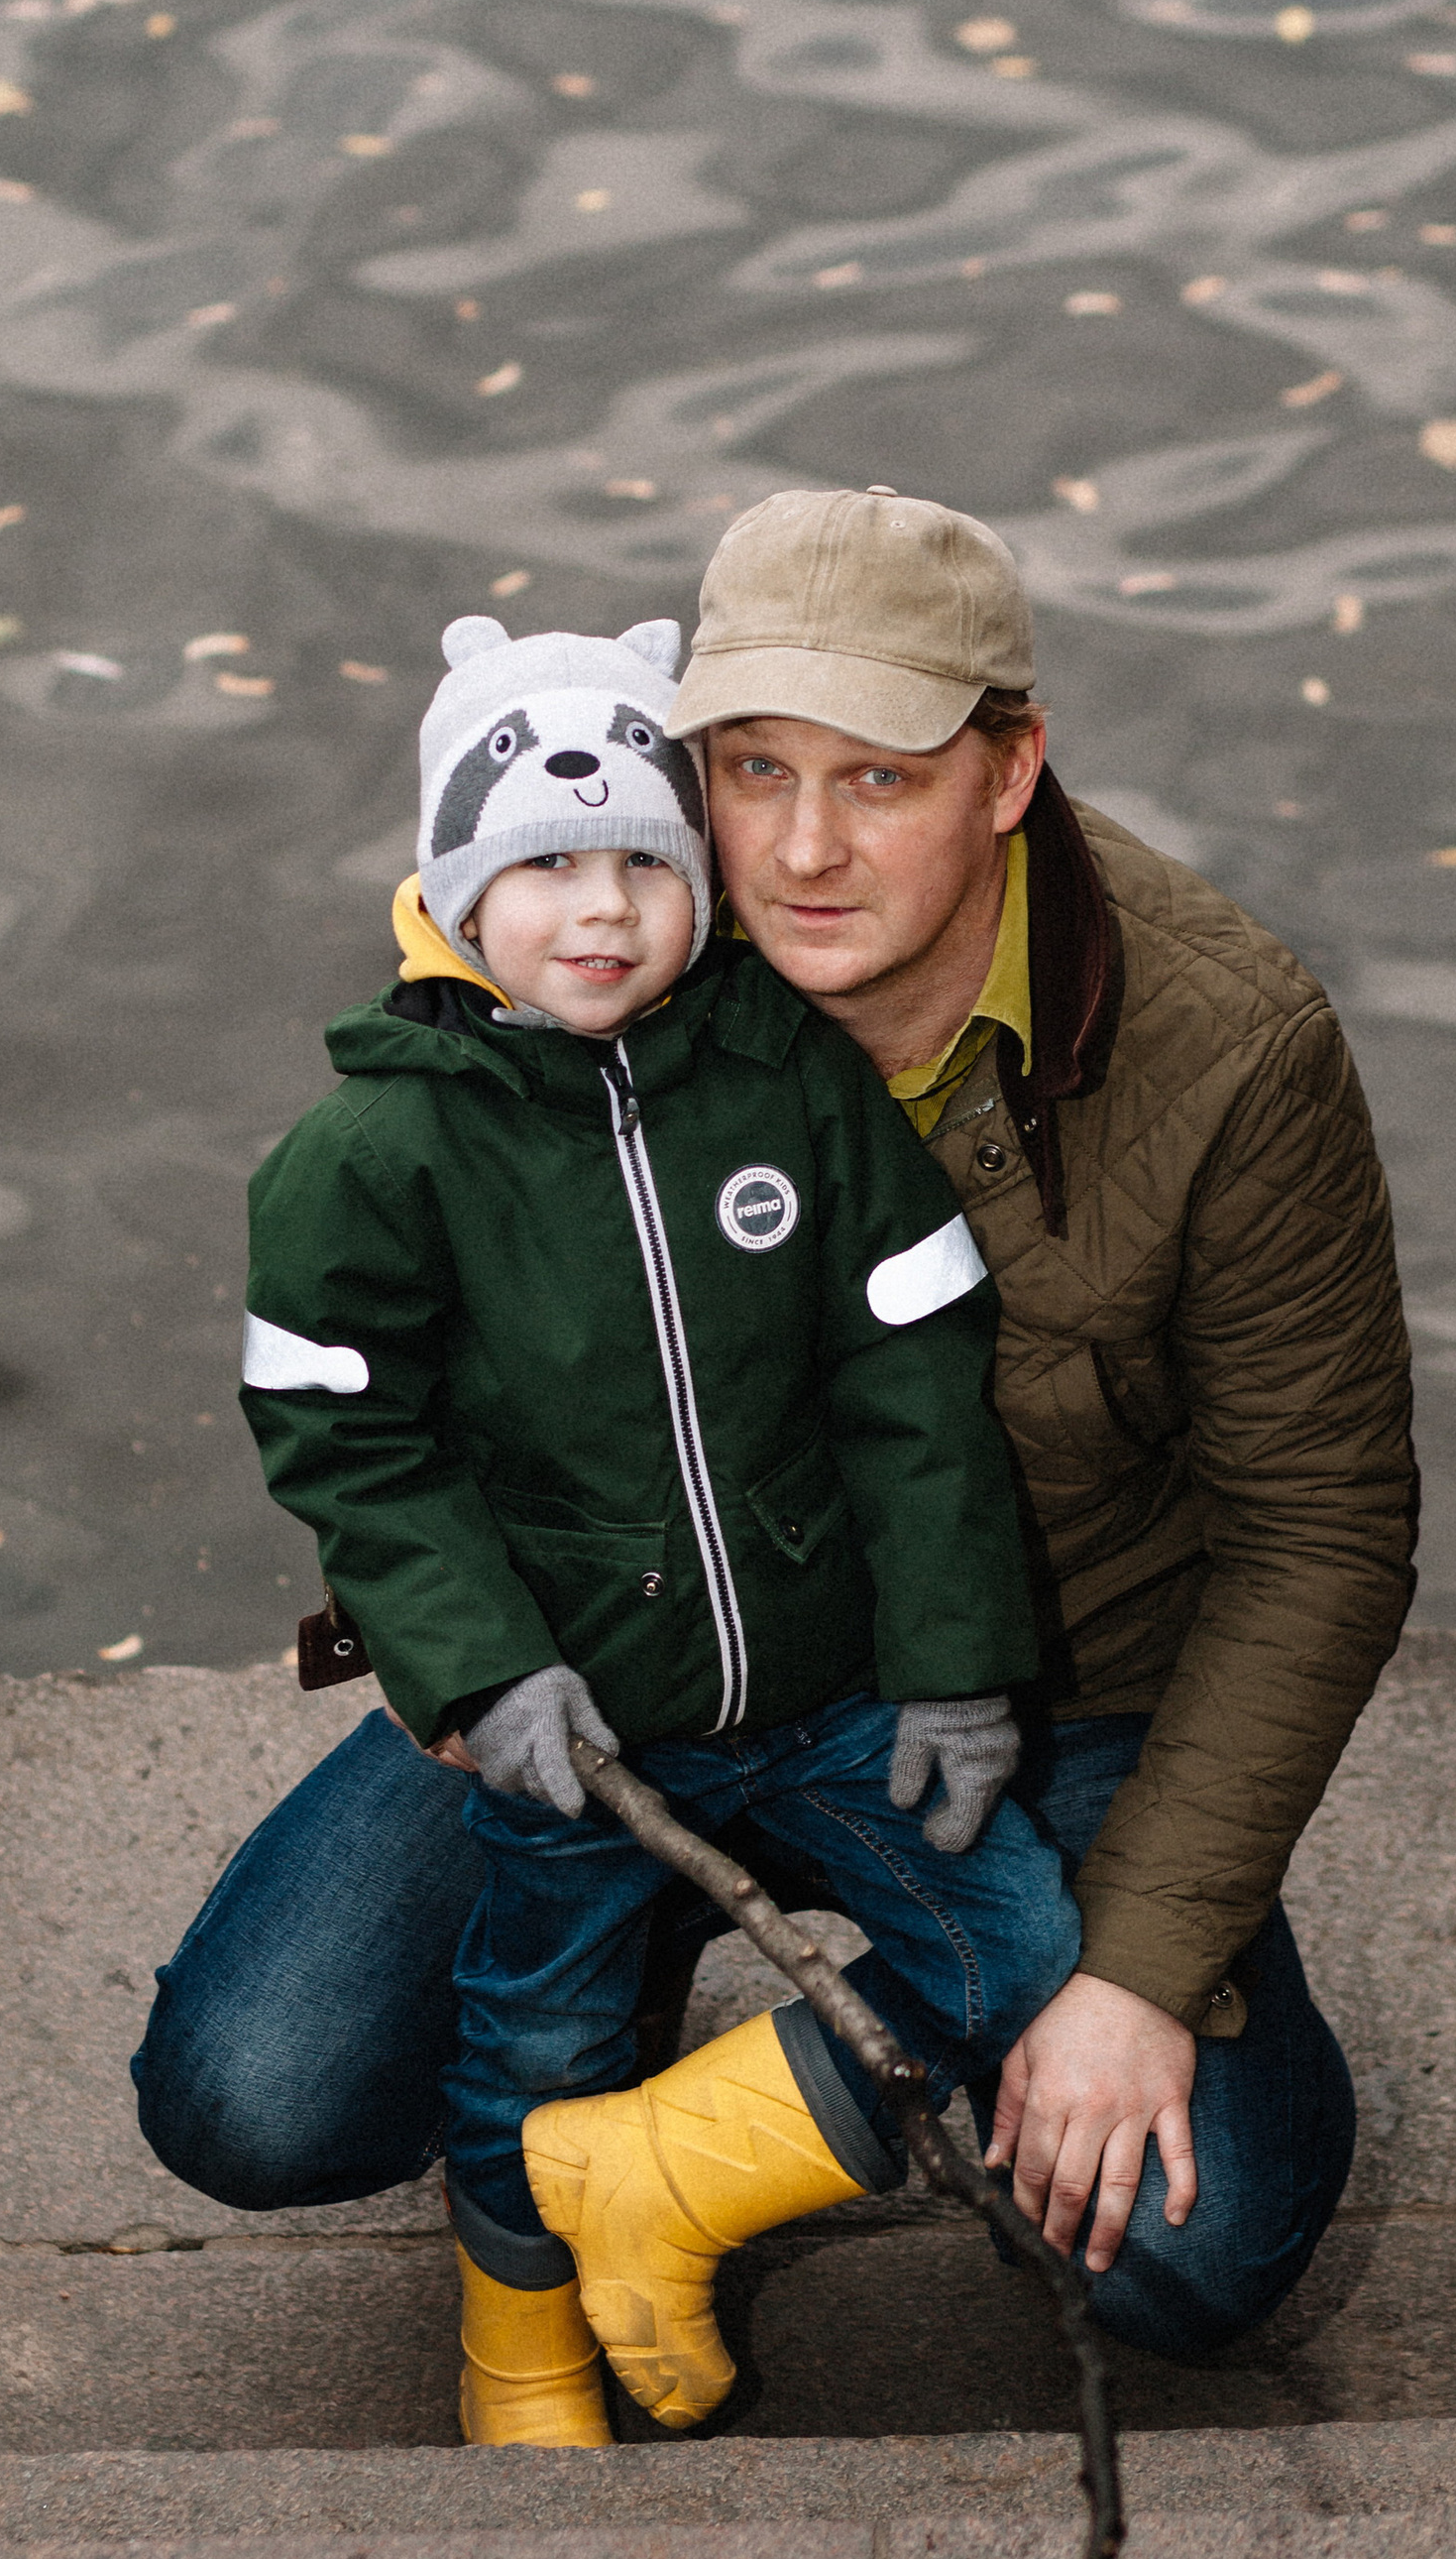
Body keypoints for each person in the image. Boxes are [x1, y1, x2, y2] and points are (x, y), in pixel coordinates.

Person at [137, 488, 1415, 2373]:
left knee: (1183, 2249)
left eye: (881, 780)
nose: (804, 850)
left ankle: (687, 2150)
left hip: (1037, 1689)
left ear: (1008, 770)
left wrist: (1146, 1968)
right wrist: (465, 1655)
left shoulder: (1231, 1048)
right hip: (614, 1649)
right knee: (256, 2099)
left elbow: (1324, 1532)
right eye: (754, 771)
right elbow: (371, 1371)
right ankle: (632, 1939)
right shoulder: (600, 916)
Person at [228, 607, 1078, 2443]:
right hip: (583, 1720)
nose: (600, 911)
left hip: (834, 1692)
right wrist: (481, 1671)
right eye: (544, 867)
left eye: (643, 863)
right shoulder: (369, 1158)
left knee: (1015, 1946)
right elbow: (348, 1445)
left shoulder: (791, 1082)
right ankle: (521, 2343)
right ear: (454, 889)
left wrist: (953, 1661)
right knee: (530, 2029)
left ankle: (674, 2169)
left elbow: (915, 1375)